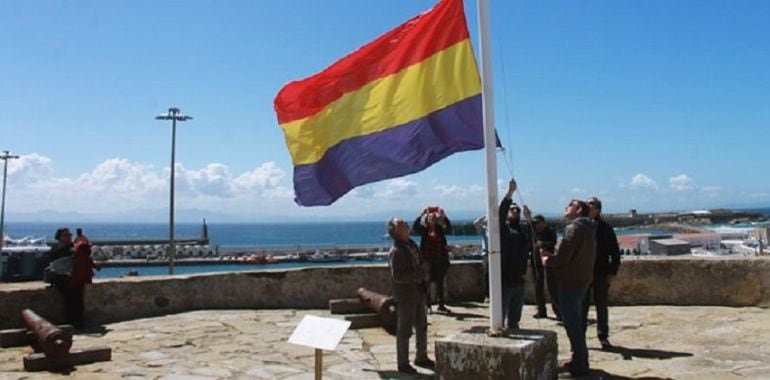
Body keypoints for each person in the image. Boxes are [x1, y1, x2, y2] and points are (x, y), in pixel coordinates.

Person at [541, 200, 596, 377]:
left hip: (570, 282)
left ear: (578, 210)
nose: (565, 208)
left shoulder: (573, 229)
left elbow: (564, 257)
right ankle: (579, 359)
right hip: (582, 281)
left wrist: (547, 260)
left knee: (573, 325)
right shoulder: (590, 228)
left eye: (569, 205)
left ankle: (581, 364)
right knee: (578, 324)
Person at [387, 217, 434, 374]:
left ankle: (421, 356)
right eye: (400, 224)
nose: (405, 224)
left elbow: (419, 262)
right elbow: (398, 276)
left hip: (419, 292)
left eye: (404, 223)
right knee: (405, 330)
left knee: (422, 326)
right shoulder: (396, 251)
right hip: (406, 295)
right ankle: (403, 362)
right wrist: (420, 274)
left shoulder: (411, 244)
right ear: (394, 231)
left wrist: (424, 269)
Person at [585, 197, 621, 350]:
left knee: (601, 306)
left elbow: (615, 252)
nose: (588, 206)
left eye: (591, 204)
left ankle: (603, 336)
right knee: (581, 307)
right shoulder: (582, 226)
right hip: (584, 273)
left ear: (598, 209)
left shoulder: (606, 228)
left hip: (600, 272)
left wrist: (612, 272)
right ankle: (580, 337)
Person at [498, 179, 531, 330]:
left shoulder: (523, 228)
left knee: (517, 307)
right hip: (506, 274)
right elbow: (500, 213)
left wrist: (529, 220)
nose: (515, 211)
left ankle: (514, 325)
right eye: (512, 209)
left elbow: (531, 240)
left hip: (520, 274)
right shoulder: (504, 228)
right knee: (503, 305)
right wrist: (510, 193)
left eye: (517, 210)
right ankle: (501, 327)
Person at [413, 206, 452, 313]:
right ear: (426, 219)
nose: (432, 219)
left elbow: (449, 228)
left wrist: (444, 217)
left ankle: (441, 304)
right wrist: (420, 215)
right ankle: (427, 304)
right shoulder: (423, 230)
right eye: (430, 218)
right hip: (427, 260)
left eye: (434, 218)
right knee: (426, 282)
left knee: (440, 283)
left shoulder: (440, 229)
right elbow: (415, 227)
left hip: (440, 259)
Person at [529, 214, 560, 320]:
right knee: (538, 287)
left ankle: (558, 311)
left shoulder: (549, 231)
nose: (537, 225)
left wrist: (542, 244)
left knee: (552, 287)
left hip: (549, 261)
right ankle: (541, 310)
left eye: (538, 223)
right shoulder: (533, 232)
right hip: (536, 261)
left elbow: (553, 242)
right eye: (535, 223)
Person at [69, 233, 100, 329]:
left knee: (74, 302)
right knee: (78, 302)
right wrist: (84, 239)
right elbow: (95, 266)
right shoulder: (84, 255)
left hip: (74, 280)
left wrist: (80, 239)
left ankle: (75, 322)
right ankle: (78, 323)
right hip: (80, 280)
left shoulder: (77, 254)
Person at [473, 215, 489, 298]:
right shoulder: (484, 229)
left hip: (497, 254)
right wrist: (483, 217)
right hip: (487, 254)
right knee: (487, 275)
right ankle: (487, 295)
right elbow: (475, 223)